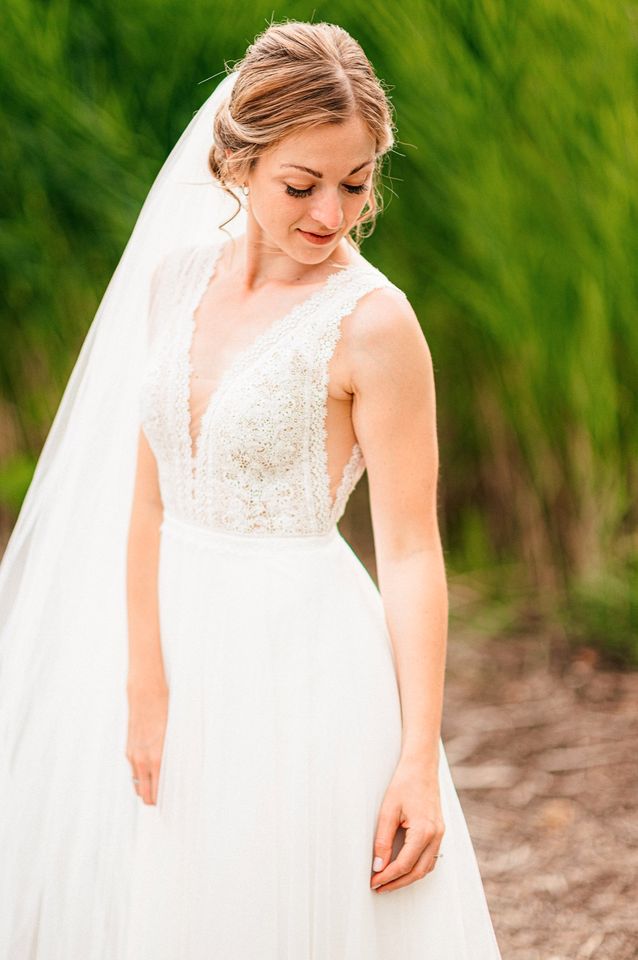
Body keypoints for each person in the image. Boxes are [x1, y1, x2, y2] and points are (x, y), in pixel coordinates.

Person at [0, 18, 502, 959]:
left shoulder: (375, 325)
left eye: (355, 184)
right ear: (236, 163)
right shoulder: (174, 281)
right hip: (169, 645)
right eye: (301, 185)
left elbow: (410, 549)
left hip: (299, 662)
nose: (331, 214)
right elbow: (149, 498)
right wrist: (144, 681)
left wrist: (418, 760)